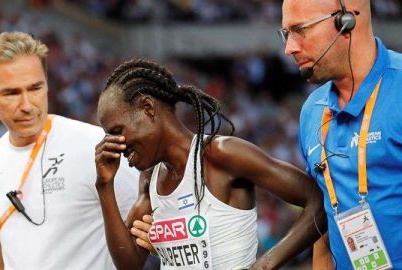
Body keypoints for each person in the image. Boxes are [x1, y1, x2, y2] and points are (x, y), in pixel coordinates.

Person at [95, 59, 326, 270]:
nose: (115, 144)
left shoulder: (220, 154)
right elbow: (129, 265)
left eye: (116, 132)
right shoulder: (150, 180)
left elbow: (319, 199)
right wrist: (104, 185)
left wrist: (264, 265)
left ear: (147, 108)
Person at [0, 32, 138, 269]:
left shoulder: (94, 145)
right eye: (12, 93)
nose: (27, 105)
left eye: (35, 88)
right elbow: (0, 261)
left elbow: (148, 223)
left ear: (47, 82)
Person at [281, 0, 402, 269]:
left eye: (300, 29)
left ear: (345, 22)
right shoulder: (312, 111)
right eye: (285, 33)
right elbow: (324, 223)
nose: (289, 48)